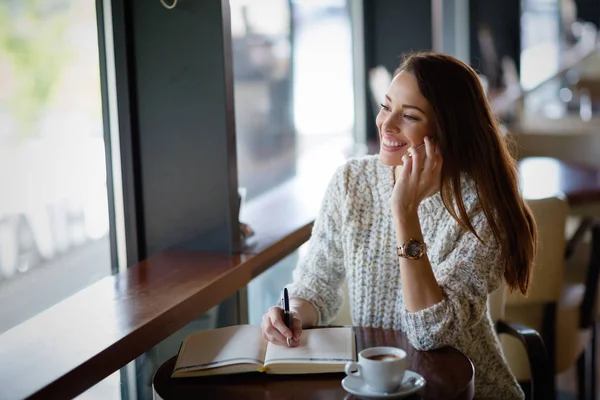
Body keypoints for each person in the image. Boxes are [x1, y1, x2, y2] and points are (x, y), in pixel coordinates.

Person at [261, 52, 537, 399]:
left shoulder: (481, 209)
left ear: (446, 131)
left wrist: (404, 212)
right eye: (385, 106)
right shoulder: (351, 181)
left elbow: (430, 333)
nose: (386, 125)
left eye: (409, 116)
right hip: (372, 386)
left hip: (464, 391)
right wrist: (294, 314)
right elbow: (316, 282)